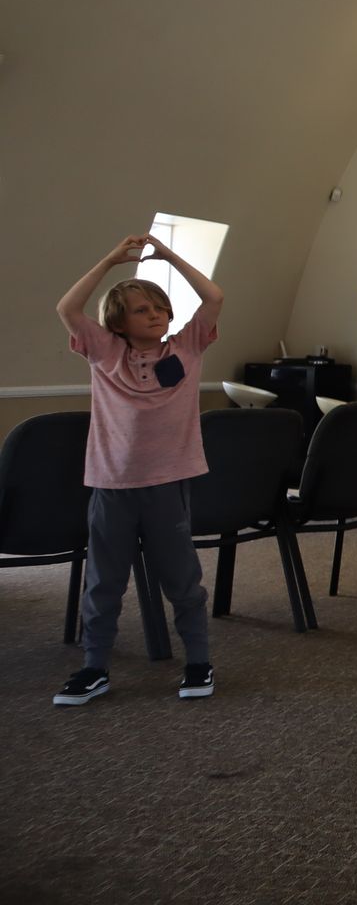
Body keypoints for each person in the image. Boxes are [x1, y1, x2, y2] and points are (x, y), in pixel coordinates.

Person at [53, 234, 223, 705]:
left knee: (182, 581)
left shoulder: (187, 348)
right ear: (119, 323)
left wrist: (169, 256)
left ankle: (198, 661)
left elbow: (214, 297)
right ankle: (94, 667)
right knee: (104, 583)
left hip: (166, 485)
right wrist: (109, 261)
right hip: (112, 486)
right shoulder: (106, 353)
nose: (155, 315)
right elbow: (68, 308)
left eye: (159, 308)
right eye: (141, 310)